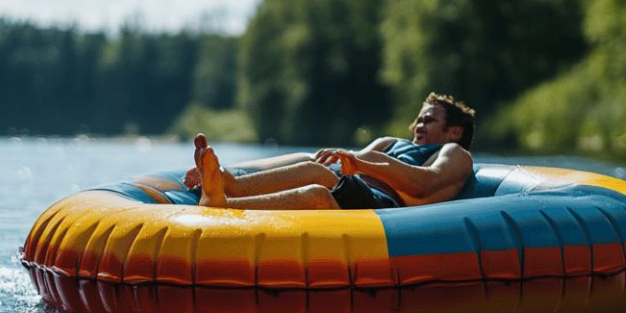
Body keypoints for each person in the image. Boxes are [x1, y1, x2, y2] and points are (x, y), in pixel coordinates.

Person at [186, 93, 476, 210]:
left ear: (455, 131)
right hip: (351, 185)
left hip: (380, 204)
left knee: (317, 185)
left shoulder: (453, 152)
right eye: (420, 118)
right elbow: (343, 162)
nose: (419, 124)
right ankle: (225, 182)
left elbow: (425, 185)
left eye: (430, 119)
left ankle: (224, 202)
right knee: (313, 172)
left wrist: (364, 165)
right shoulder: (389, 143)